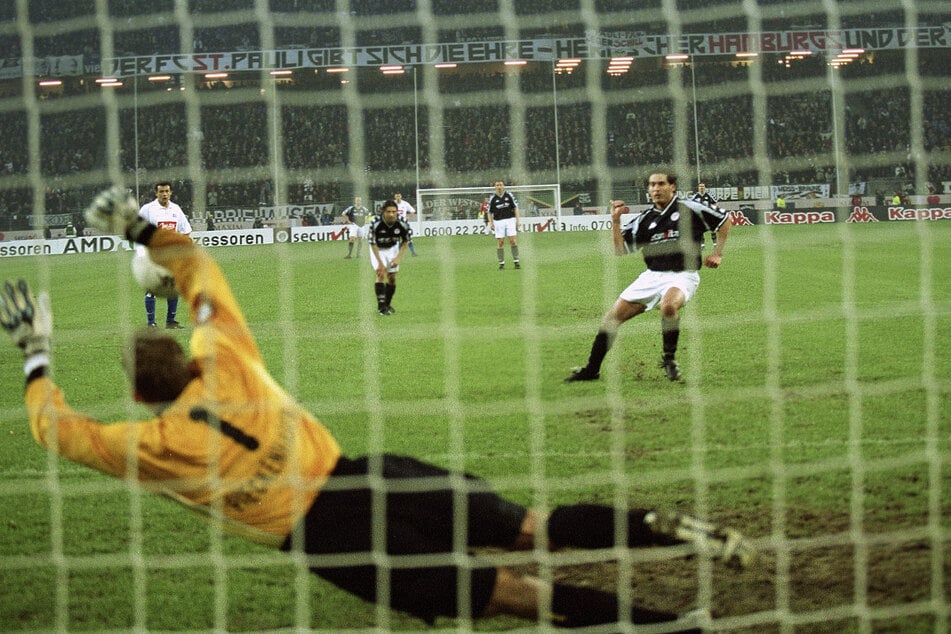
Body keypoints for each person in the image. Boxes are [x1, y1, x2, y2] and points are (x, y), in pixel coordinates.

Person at [0, 185, 757, 631]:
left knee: (512, 594)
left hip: (327, 541)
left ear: (139, 397)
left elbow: (55, 430)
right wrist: (137, 228)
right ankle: (647, 526)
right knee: (532, 525)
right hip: (368, 475)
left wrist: (35, 353)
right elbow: (196, 266)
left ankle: (665, 626)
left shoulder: (150, 447)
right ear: (190, 356)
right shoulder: (226, 359)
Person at [566, 171, 732, 383]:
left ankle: (669, 359)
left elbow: (724, 220)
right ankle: (592, 370)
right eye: (652, 185)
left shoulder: (690, 208)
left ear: (672, 186)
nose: (656, 189)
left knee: (668, 306)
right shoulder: (645, 219)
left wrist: (718, 253)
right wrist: (615, 222)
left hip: (683, 276)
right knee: (611, 319)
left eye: (661, 184)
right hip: (652, 277)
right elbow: (620, 250)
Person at [138, 181, 192, 329]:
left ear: (171, 192)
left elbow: (186, 230)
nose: (164, 194)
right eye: (161, 191)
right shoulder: (147, 209)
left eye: (167, 191)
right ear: (156, 193)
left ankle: (170, 321)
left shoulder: (176, 209)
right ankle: (151, 323)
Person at [368, 199, 411, 316]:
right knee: (381, 274)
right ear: (383, 211)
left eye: (394, 211)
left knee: (392, 278)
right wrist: (380, 263)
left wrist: (397, 258)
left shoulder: (402, 223)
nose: (391, 214)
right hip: (378, 249)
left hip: (393, 248)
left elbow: (405, 241)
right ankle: (381, 307)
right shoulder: (375, 223)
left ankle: (387, 304)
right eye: (388, 212)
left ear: (397, 212)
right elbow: (372, 243)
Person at [486, 180, 520, 270]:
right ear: (495, 187)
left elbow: (515, 208)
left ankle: (516, 261)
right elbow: (489, 212)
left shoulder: (509, 195)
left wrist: (518, 220)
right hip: (498, 222)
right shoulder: (492, 198)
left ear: (503, 186)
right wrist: (491, 223)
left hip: (510, 220)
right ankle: (501, 263)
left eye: (500, 185)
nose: (499, 187)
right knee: (500, 242)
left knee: (513, 241)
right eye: (497, 185)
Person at [689, 183, 723, 248]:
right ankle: (702, 245)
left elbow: (716, 203)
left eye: (703, 186)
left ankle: (715, 244)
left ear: (705, 187)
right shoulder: (695, 196)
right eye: (700, 186)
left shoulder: (709, 195)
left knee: (712, 230)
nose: (701, 187)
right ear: (698, 188)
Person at [393, 192, 418, 256]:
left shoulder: (405, 204)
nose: (398, 198)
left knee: (408, 238)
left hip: (404, 224)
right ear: (395, 197)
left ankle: (413, 252)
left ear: (401, 197)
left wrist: (408, 217)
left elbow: (412, 211)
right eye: (397, 196)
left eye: (399, 196)